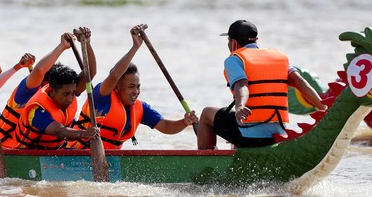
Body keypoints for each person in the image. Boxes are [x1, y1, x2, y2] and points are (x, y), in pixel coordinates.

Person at [197, 20, 328, 149]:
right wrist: (323, 108)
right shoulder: (279, 57)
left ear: (234, 42)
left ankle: (205, 161)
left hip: (249, 138)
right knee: (233, 117)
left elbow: (242, 85)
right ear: (255, 39)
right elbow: (301, 82)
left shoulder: (234, 59)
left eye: (228, 41)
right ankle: (237, 150)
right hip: (279, 135)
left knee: (207, 113)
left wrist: (240, 105)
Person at [70, 24, 198, 149]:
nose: (136, 91)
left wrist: (184, 122)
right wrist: (135, 47)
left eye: (138, 87)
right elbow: (114, 75)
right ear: (117, 87)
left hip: (107, 161)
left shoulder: (140, 108)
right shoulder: (102, 96)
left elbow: (165, 126)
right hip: (73, 153)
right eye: (131, 87)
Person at [10, 28, 99, 150]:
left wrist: (87, 43)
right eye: (66, 94)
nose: (70, 98)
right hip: (27, 154)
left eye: (73, 93)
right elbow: (59, 131)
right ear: (52, 91)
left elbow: (90, 72)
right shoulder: (37, 110)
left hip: (57, 151)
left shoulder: (69, 89)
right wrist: (84, 134)